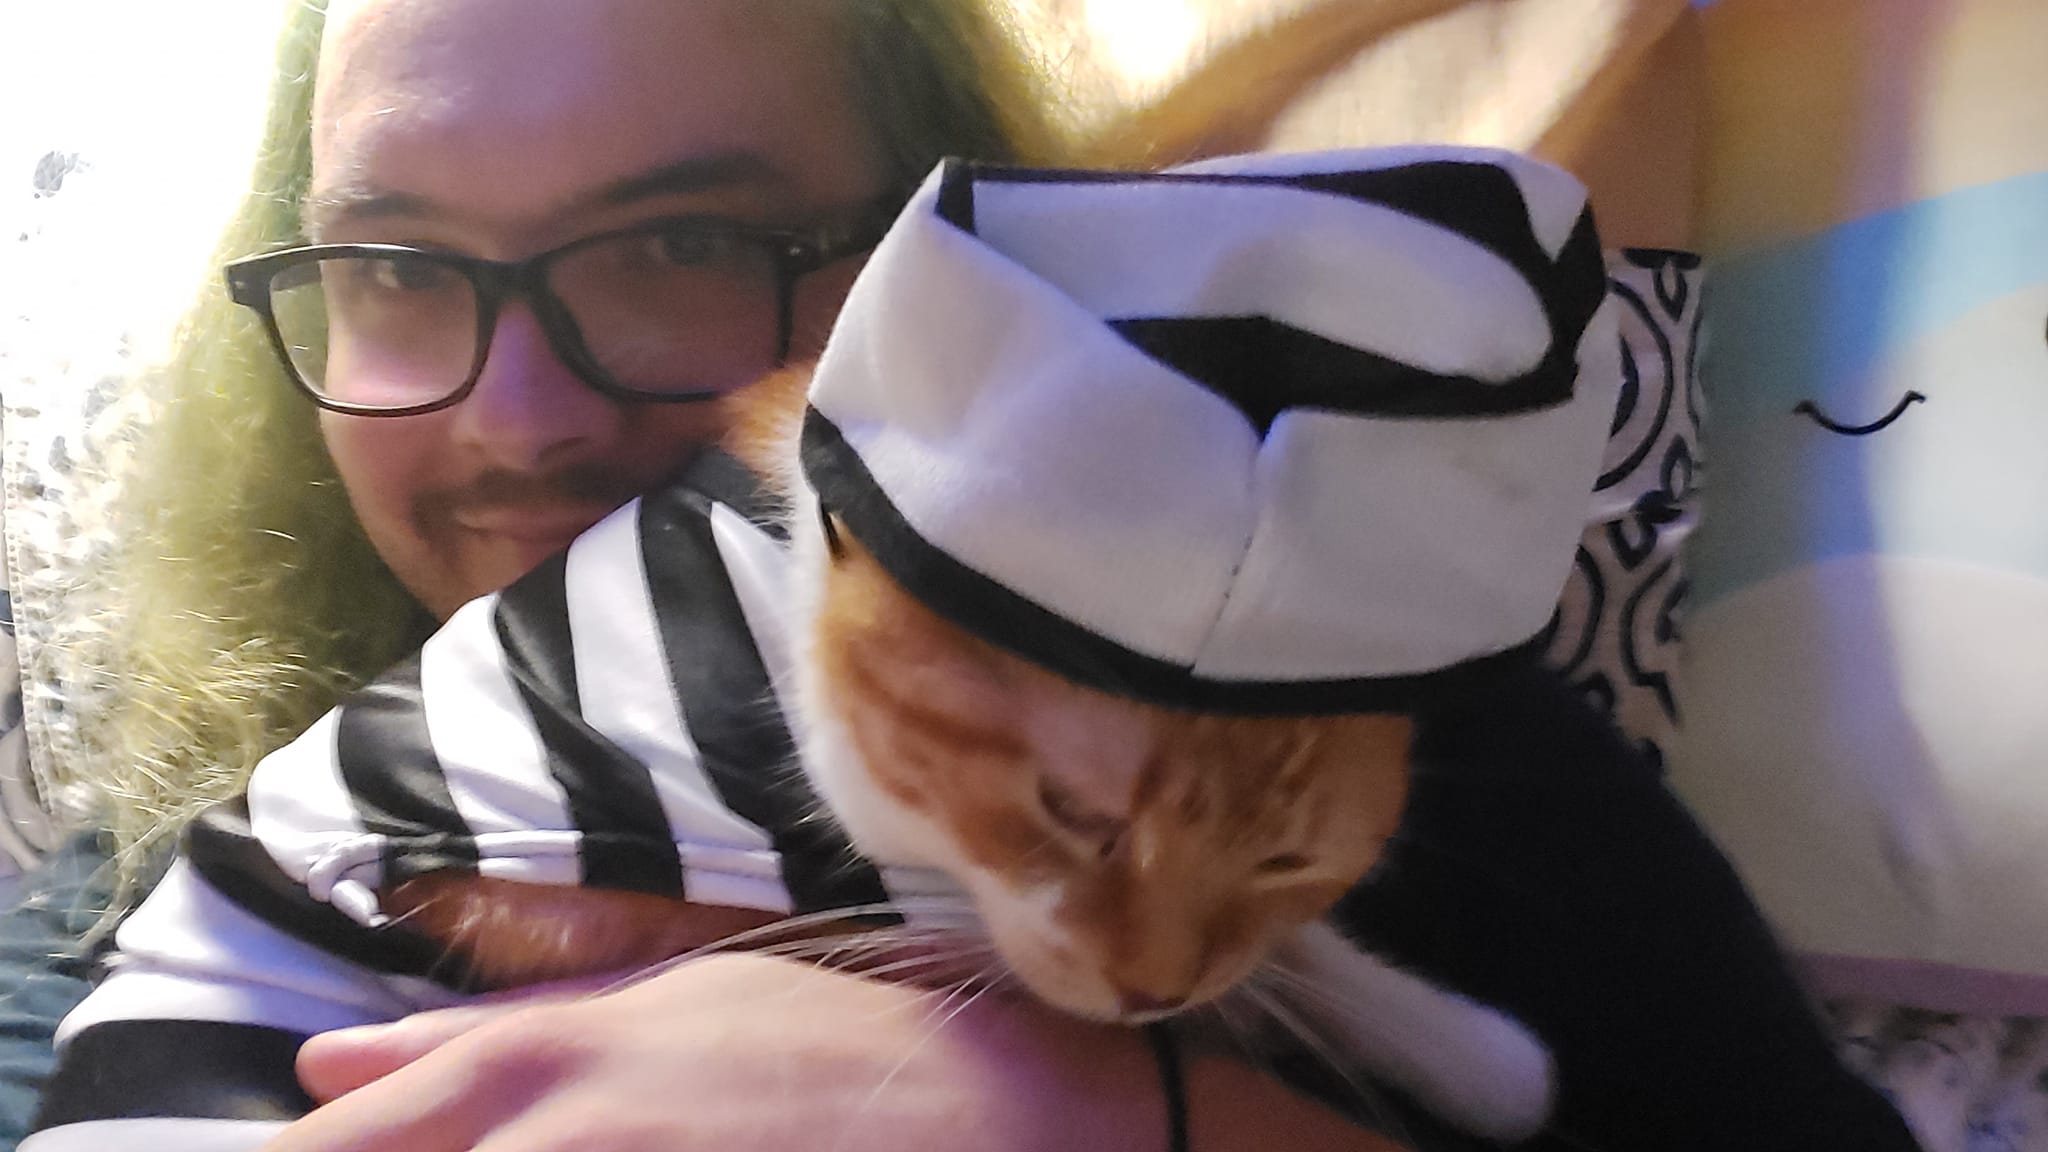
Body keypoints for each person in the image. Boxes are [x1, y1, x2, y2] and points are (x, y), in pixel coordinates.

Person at [2, 1, 1413, 1149]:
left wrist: (1114, 1114)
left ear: (975, 258)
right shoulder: (145, 893)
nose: (520, 418)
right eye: (398, 267)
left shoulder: (1310, 675)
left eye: (683, 248)